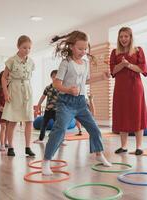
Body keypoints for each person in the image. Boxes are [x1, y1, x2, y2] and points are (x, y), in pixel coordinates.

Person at [42, 30, 112, 175]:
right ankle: (46, 161)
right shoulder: (66, 63)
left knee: (94, 128)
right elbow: (56, 84)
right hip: (66, 102)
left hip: (80, 102)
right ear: (72, 47)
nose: (83, 51)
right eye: (80, 48)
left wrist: (102, 77)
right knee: (60, 130)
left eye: (85, 48)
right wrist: (68, 90)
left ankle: (99, 155)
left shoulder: (85, 63)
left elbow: (85, 81)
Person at [110, 27, 147, 155]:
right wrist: (122, 64)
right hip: (120, 89)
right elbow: (113, 71)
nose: (123, 39)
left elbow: (142, 69)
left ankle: (139, 147)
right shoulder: (114, 52)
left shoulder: (138, 50)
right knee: (122, 115)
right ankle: (124, 146)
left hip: (135, 88)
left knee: (137, 114)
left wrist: (129, 65)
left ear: (131, 37)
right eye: (121, 37)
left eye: (126, 36)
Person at [1, 35, 36, 157]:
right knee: (13, 120)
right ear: (18, 47)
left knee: (29, 120)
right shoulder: (11, 60)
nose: (27, 50)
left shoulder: (31, 62)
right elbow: (4, 77)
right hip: (14, 90)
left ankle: (28, 147)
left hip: (27, 90)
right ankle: (10, 146)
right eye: (24, 47)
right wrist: (5, 93)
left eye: (29, 48)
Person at [33, 70, 59, 143]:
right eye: (53, 77)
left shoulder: (61, 87)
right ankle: (41, 139)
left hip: (56, 110)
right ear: (51, 77)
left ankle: (60, 140)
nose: (55, 78)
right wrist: (38, 106)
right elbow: (43, 97)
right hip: (48, 110)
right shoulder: (48, 87)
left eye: (56, 77)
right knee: (43, 124)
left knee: (58, 126)